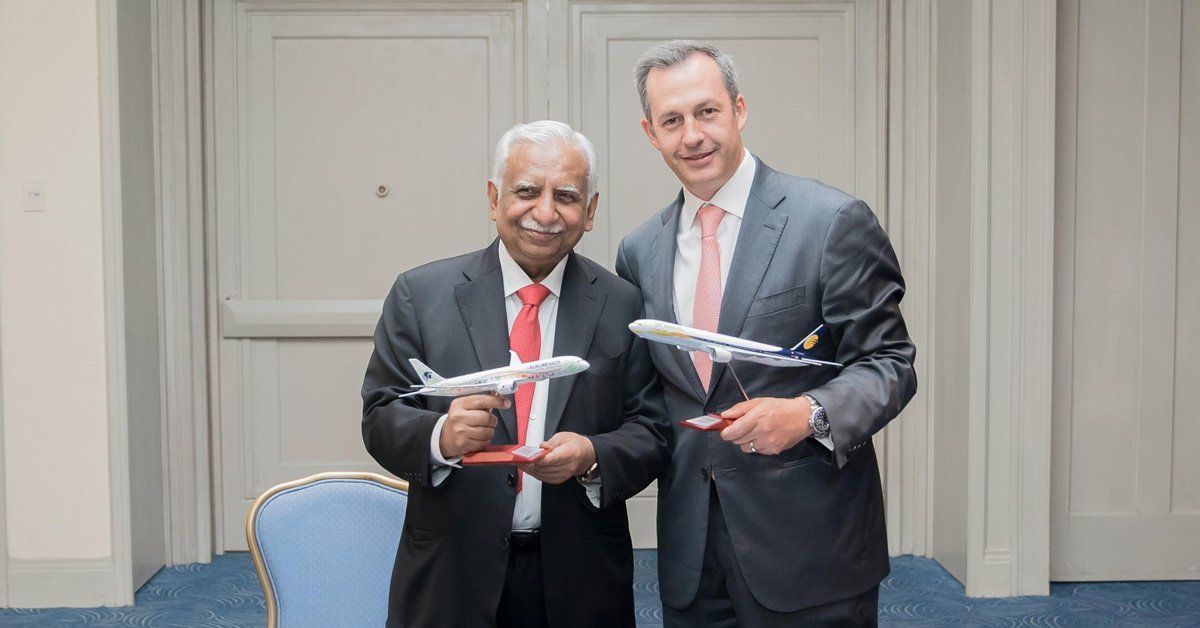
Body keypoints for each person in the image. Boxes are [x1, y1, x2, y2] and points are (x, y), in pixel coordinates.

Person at [616, 40, 917, 626]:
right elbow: (650, 398)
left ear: (739, 110)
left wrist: (809, 414)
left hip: (810, 547)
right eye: (672, 121)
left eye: (707, 112)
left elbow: (890, 363)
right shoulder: (639, 251)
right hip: (690, 555)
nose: (692, 136)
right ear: (651, 133)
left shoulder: (831, 222)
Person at [361, 120, 669, 628]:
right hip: (452, 575)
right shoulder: (421, 295)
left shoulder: (623, 304)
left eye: (566, 196)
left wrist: (593, 455)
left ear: (590, 211)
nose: (545, 213)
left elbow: (652, 429)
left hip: (581, 577)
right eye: (526, 191)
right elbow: (381, 416)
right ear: (493, 198)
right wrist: (441, 436)